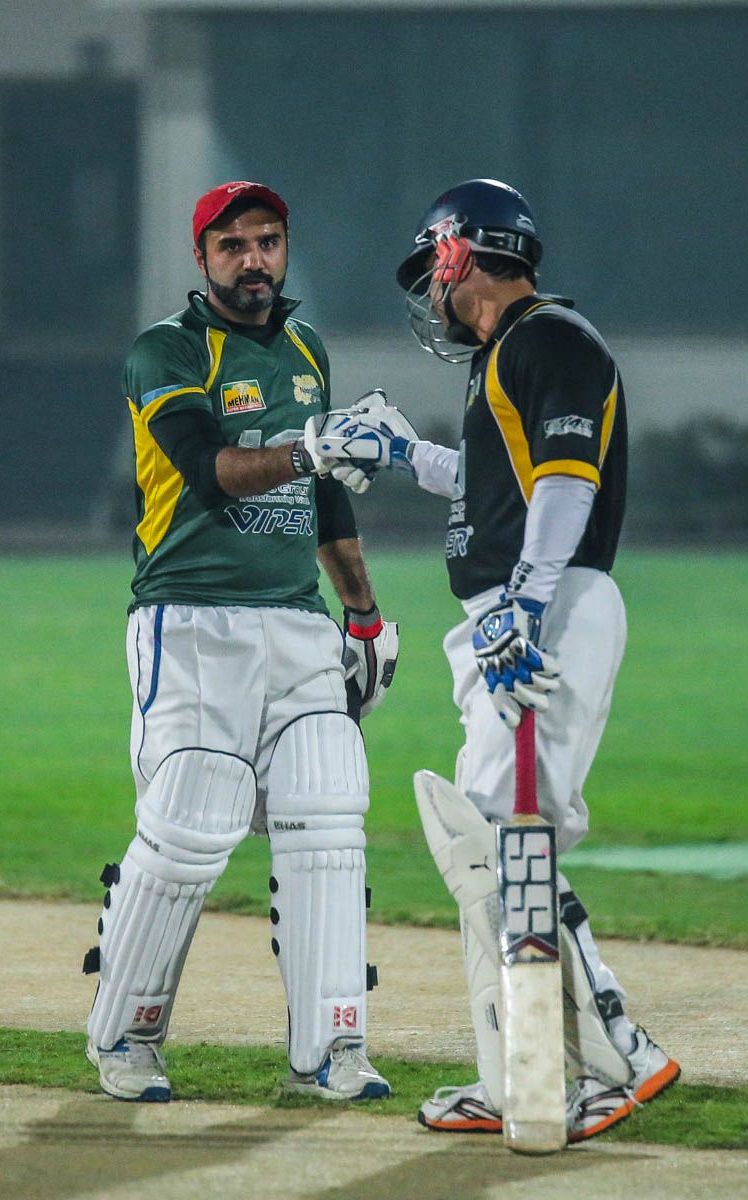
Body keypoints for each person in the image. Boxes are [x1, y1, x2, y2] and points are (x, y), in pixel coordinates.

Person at [306, 178, 680, 1141]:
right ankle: (524, 1074)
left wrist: (526, 599)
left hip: (542, 611)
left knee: (506, 845)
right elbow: (489, 481)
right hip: (519, 611)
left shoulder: (549, 338)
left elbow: (566, 479)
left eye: (432, 265)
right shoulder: (511, 355)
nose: (429, 289)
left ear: (459, 253)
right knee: (496, 848)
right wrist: (403, 453)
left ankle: (608, 1060)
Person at [82, 180, 399, 1104]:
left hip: (298, 620)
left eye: (268, 241)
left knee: (328, 813)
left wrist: (364, 615)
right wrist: (310, 448)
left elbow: (327, 500)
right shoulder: (167, 350)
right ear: (203, 257)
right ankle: (127, 1036)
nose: (253, 258)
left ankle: (332, 1046)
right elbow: (209, 472)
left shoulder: (307, 349)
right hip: (190, 618)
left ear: (285, 249)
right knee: (190, 815)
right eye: (233, 245)